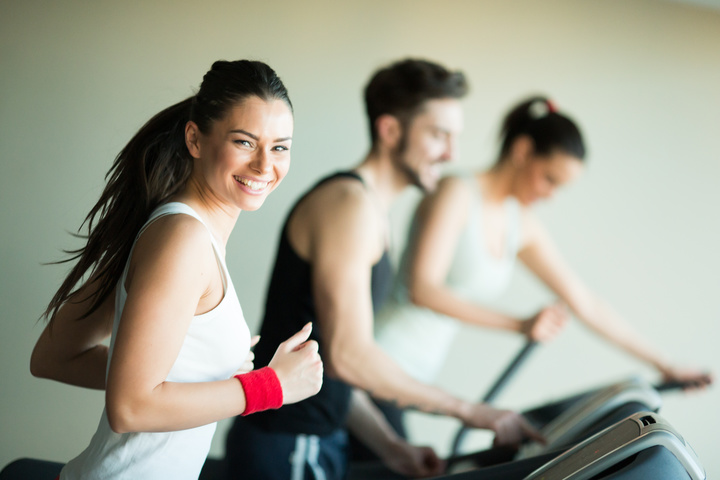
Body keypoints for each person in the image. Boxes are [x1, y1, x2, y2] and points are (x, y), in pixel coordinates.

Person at [225, 59, 543, 480]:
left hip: (317, 436)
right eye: (438, 135)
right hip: (287, 440)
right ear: (390, 130)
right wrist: (469, 410)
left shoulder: (370, 211)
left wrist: (391, 448)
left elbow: (328, 364)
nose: (451, 153)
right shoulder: (348, 205)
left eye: (454, 137)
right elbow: (349, 355)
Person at [30, 60, 323, 480]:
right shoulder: (181, 239)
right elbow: (129, 407)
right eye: (244, 142)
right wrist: (270, 388)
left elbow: (52, 357)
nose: (263, 166)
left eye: (279, 147)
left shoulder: (178, 230)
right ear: (195, 139)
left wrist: (206, 381)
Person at [374, 95, 712, 412]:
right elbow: (423, 290)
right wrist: (519, 324)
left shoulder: (519, 223)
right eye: (549, 179)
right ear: (522, 151)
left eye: (559, 187)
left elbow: (586, 303)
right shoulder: (456, 193)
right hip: (377, 357)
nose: (550, 195)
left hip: (415, 376)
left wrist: (665, 365)